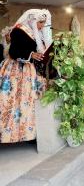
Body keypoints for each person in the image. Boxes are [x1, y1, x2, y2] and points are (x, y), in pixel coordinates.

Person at [0, 9, 52, 143]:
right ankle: (9, 134)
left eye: (43, 23)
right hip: (16, 70)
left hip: (29, 70)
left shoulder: (35, 32)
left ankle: (27, 133)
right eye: (40, 22)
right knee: (13, 100)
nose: (41, 26)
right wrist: (31, 54)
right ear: (32, 20)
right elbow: (13, 51)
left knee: (28, 100)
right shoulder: (19, 30)